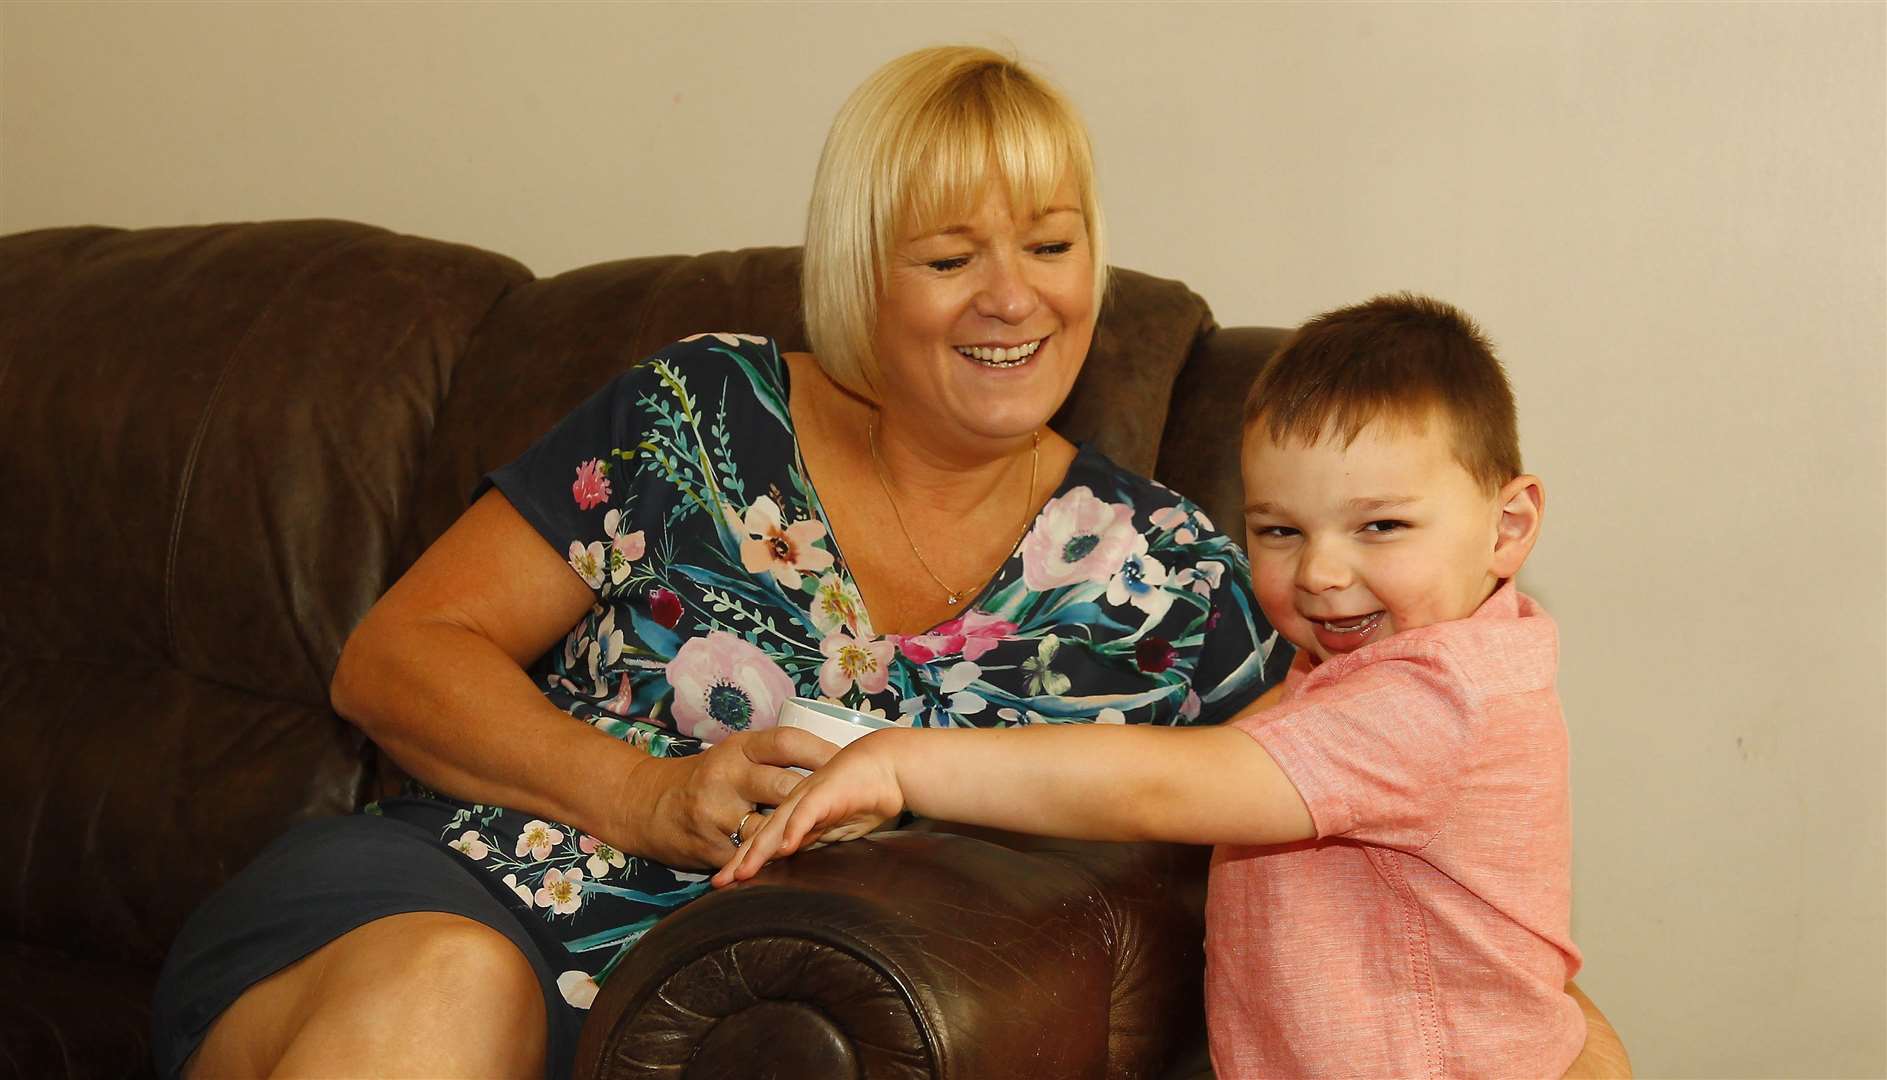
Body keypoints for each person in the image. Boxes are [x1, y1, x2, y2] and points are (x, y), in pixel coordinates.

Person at [149, 45, 1285, 1079]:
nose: (1014, 297)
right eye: (950, 255)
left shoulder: (1172, 577)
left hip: (766, 1026)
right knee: (452, 990)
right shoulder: (698, 417)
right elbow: (394, 660)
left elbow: (1349, 789)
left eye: (1052, 244)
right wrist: (646, 795)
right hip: (466, 900)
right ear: (860, 274)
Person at [718, 293, 1588, 1078]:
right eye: (1279, 529)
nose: (1321, 571)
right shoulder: (1377, 665)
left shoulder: (1429, 700)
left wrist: (905, 765)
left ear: (1506, 528)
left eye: (1381, 526)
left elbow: (1162, 783)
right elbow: (1206, 754)